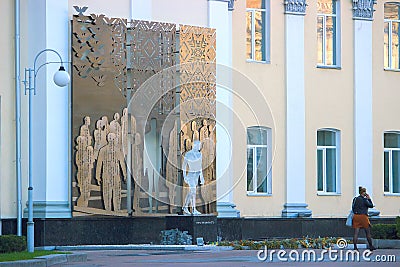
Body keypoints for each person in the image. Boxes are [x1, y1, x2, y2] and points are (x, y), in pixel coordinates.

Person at [182, 140, 204, 215]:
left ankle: (185, 206)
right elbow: (184, 166)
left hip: (196, 176)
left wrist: (202, 177)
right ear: (194, 145)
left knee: (191, 192)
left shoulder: (200, 154)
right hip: (190, 175)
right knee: (193, 192)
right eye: (198, 145)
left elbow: (200, 166)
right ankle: (193, 209)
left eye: (200, 145)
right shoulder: (188, 154)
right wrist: (184, 176)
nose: (199, 147)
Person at [352, 186, 376, 251]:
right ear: (364, 193)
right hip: (363, 217)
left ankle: (355, 247)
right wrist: (369, 199)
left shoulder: (355, 199)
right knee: (367, 232)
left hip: (356, 216)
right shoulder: (364, 200)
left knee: (356, 233)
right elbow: (371, 205)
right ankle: (371, 246)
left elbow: (353, 207)